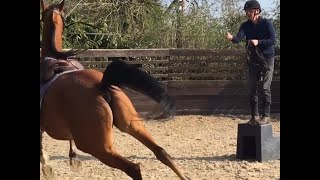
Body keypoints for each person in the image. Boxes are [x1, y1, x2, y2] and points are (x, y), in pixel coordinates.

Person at [226, 0, 276, 125]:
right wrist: (232, 38)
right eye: (247, 11)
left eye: (250, 11)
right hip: (254, 59)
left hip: (267, 59)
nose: (248, 13)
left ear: (257, 11)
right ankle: (254, 116)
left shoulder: (266, 23)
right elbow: (238, 39)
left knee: (265, 87)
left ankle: (266, 115)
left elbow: (273, 40)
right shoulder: (245, 25)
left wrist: (258, 42)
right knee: (252, 87)